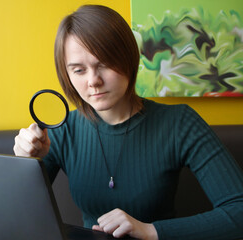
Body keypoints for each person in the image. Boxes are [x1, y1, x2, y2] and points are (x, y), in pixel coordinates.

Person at [13, 4, 243, 240]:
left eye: (103, 64)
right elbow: (14, 217)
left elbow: (239, 211)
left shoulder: (179, 123)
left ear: (128, 59)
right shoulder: (62, 131)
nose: (93, 81)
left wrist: (150, 230)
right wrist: (25, 165)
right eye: (79, 70)